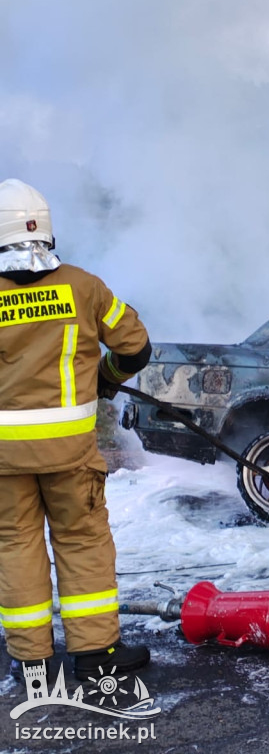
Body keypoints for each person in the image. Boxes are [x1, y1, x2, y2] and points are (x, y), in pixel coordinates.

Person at [0, 179, 152, 683]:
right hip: (71, 453)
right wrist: (105, 382)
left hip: (5, 460)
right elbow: (136, 349)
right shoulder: (84, 286)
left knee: (15, 546)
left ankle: (32, 660)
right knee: (82, 542)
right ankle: (95, 654)